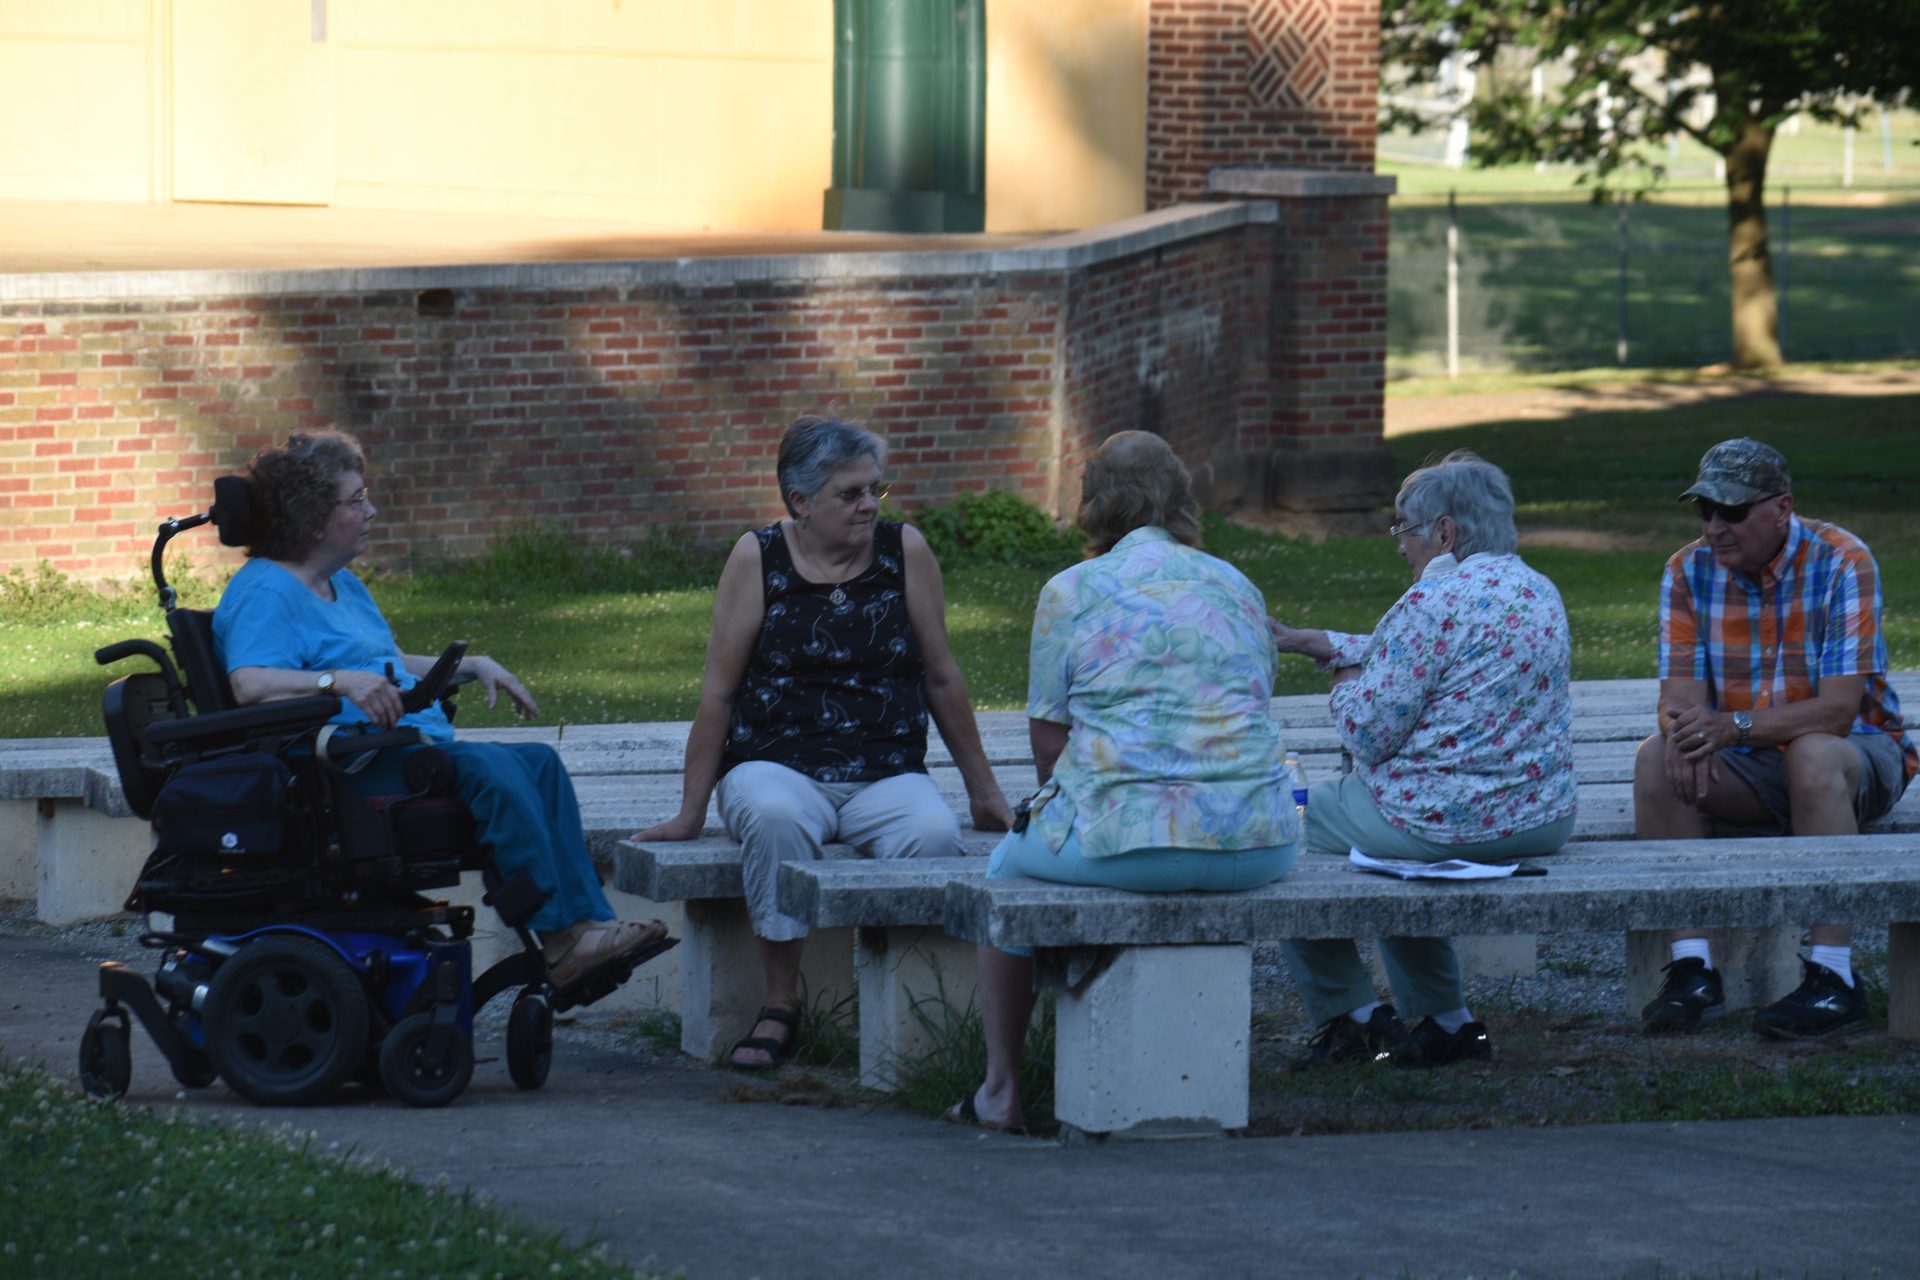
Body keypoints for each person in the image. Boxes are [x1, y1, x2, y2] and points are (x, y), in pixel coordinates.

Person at [212, 428, 669, 989]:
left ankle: (589, 927)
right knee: (491, 768)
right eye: (357, 501)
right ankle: (559, 939)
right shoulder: (265, 590)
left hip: (400, 748)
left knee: (539, 763)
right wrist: (337, 683)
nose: (372, 510)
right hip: (343, 766)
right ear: (311, 518)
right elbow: (249, 684)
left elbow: (388, 659)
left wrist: (471, 666)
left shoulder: (342, 585)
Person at [949, 431, 1302, 1134]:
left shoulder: (1070, 591)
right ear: (1181, 499)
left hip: (1129, 845)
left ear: (1092, 505)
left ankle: (1000, 1087)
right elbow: (1251, 704)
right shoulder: (1237, 583)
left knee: (1005, 872)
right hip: (1257, 845)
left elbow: (1050, 748)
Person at [638, 414, 1011, 1070]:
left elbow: (942, 675)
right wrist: (691, 812)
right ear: (800, 503)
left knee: (932, 836)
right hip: (776, 764)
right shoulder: (758, 557)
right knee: (775, 817)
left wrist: (986, 794)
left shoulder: (906, 551)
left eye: (876, 490)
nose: (870, 504)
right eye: (851, 494)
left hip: (886, 768)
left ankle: (901, 1015)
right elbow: (719, 692)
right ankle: (780, 1003)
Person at [1268, 450, 1576, 1071]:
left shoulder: (1430, 603)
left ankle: (1351, 1016)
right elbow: (1439, 655)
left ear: (1445, 533)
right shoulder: (1538, 590)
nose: (1400, 547)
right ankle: (1448, 1022)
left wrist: (1346, 677)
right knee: (1393, 846)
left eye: (1406, 531)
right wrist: (1320, 643)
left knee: (1275, 822)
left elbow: (1367, 733)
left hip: (1445, 822)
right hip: (1539, 817)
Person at [1634, 437, 1914, 1039]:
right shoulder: (1685, 570)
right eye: (1704, 510)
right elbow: (1676, 700)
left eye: (1731, 511)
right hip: (1749, 760)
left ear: (1782, 508)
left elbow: (1838, 713)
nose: (1715, 526)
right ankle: (1691, 970)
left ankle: (1834, 976)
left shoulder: (1844, 560)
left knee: (1812, 755)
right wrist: (1680, 735)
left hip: (1855, 755)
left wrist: (1727, 728)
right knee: (1656, 759)